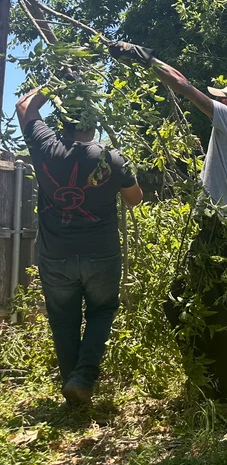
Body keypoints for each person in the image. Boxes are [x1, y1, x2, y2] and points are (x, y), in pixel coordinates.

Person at [108, 41, 227, 412]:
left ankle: (226, 396)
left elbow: (184, 86)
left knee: (201, 309)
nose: (216, 103)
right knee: (193, 304)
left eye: (221, 99)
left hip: (216, 231)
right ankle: (208, 384)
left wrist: (146, 59)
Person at [15, 86, 143, 405]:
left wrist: (56, 80)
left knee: (63, 320)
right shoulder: (111, 158)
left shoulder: (44, 144)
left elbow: (23, 105)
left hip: (56, 256)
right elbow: (134, 200)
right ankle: (83, 378)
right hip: (102, 254)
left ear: (63, 122)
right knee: (102, 310)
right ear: (94, 124)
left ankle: (73, 387)